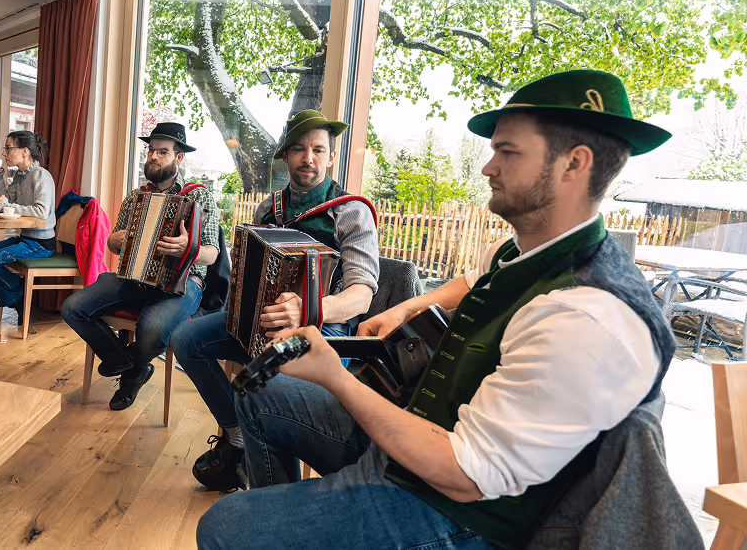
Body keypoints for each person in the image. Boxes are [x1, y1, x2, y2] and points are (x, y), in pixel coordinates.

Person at [196, 70, 676, 550]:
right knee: (262, 394)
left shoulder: (589, 316)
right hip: (415, 431)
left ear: (575, 163)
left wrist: (335, 376)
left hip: (455, 509)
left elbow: (467, 475)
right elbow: (472, 282)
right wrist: (407, 308)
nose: (488, 168)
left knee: (222, 527)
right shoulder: (526, 250)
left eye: (507, 152)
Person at [172, 109, 379, 492]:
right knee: (186, 340)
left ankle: (270, 487)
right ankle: (238, 434)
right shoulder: (270, 208)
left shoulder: (351, 211)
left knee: (263, 377)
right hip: (263, 318)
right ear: (286, 156)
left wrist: (309, 309)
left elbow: (361, 295)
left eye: (318, 149)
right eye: (299, 149)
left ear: (331, 156)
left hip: (322, 329)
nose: (309, 158)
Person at [61, 122, 220, 411]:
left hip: (182, 283)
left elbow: (211, 255)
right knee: (73, 307)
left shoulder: (199, 195)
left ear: (179, 157)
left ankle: (131, 372)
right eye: (151, 151)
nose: (154, 157)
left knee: (153, 327)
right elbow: (112, 245)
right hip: (132, 277)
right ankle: (127, 365)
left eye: (163, 152)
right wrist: (115, 239)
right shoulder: (136, 196)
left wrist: (189, 248)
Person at [0, 130, 57, 323]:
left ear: (24, 151)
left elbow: (41, 212)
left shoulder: (41, 176)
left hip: (41, 244)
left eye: (8, 148)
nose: (4, 153)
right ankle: (18, 292)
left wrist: (8, 206)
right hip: (26, 238)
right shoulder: (20, 175)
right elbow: (6, 200)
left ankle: (19, 295)